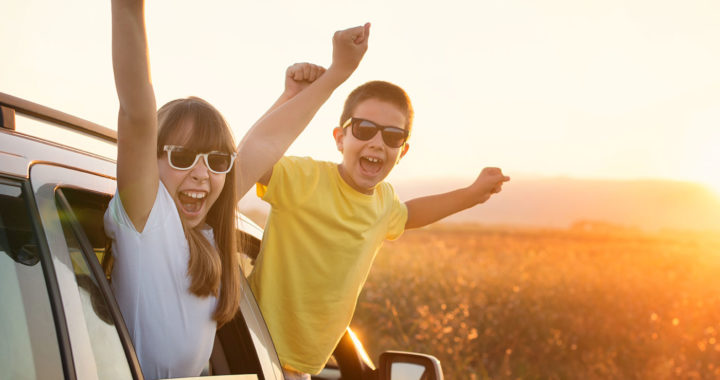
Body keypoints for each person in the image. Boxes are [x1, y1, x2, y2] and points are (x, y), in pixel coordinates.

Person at [104, 0, 370, 378]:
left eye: (216, 162)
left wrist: (314, 85)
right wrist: (129, 9)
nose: (201, 174)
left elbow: (262, 145)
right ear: (151, 159)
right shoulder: (146, 221)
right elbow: (136, 111)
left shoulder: (209, 234)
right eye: (182, 157)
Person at [246, 80, 510, 378]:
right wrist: (291, 97)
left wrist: (472, 194)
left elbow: (411, 214)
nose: (377, 143)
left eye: (392, 136)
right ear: (339, 138)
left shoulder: (384, 203)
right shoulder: (303, 178)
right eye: (363, 129)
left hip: (302, 367)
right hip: (252, 348)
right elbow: (252, 156)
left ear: (403, 151)